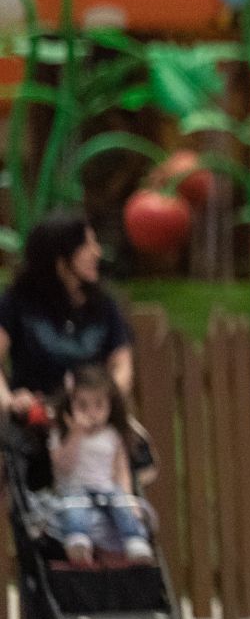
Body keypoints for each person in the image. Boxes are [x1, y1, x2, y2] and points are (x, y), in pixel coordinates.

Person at [0, 214, 135, 415]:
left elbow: (122, 363)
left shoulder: (103, 304)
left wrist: (104, 403)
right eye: (87, 246)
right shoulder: (18, 302)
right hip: (35, 418)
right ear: (61, 259)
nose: (97, 252)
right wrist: (10, 403)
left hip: (93, 418)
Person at [46, 364, 153, 566]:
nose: (92, 413)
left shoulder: (113, 436)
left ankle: (135, 540)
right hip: (74, 489)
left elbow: (121, 472)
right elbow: (62, 466)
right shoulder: (61, 434)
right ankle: (78, 541)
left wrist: (129, 499)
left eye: (99, 405)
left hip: (105, 489)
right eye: (83, 406)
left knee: (121, 504)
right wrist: (75, 434)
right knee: (75, 507)